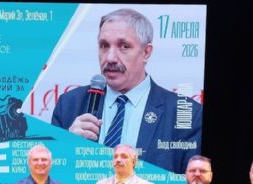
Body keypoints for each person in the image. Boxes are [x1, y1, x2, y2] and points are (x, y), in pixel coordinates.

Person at [51, 8, 202, 174]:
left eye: (124, 46)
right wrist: (68, 149)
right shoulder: (69, 105)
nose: (110, 58)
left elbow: (194, 183)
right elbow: (50, 179)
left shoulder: (185, 113)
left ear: (146, 52)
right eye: (104, 46)